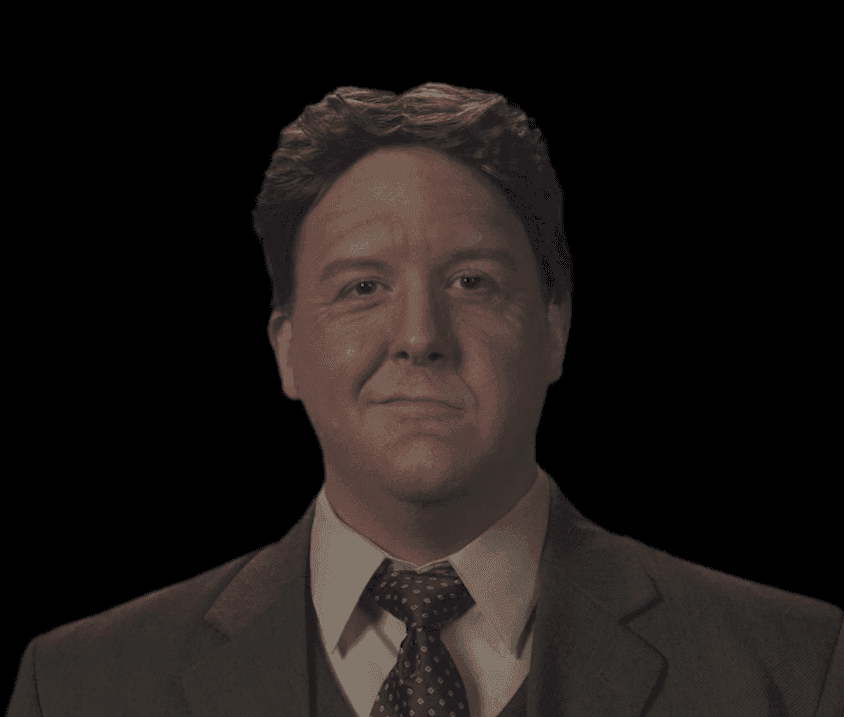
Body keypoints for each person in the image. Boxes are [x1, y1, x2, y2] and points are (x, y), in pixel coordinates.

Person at [8, 83, 842, 717]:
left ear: (556, 330)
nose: (419, 335)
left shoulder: (798, 668)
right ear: (285, 348)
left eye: (471, 281)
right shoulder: (78, 687)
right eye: (362, 287)